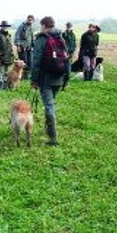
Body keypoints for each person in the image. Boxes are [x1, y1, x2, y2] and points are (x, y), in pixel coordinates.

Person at [31, 16, 64, 146]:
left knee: (49, 106)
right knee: (51, 103)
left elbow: (36, 61)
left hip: (46, 78)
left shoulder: (41, 39)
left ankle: (53, 138)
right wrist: (65, 79)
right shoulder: (60, 37)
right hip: (59, 76)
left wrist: (34, 79)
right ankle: (49, 128)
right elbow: (67, 58)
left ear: (44, 25)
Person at [0, 20, 15, 90]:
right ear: (1, 27)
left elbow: (10, 46)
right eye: (4, 26)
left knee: (6, 72)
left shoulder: (8, 35)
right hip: (0, 57)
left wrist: (12, 55)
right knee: (0, 72)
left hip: (7, 57)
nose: (5, 28)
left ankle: (5, 86)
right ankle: (0, 86)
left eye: (6, 26)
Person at [14, 15, 35, 79]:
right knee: (23, 61)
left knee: (30, 61)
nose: (30, 21)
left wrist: (33, 46)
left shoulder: (31, 27)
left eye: (31, 20)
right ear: (27, 19)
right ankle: (22, 75)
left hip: (29, 47)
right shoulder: (21, 26)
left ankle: (28, 75)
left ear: (33, 21)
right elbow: (17, 36)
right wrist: (18, 46)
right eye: (29, 19)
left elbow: (31, 37)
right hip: (22, 47)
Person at [61, 22, 77, 89]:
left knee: (68, 71)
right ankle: (61, 83)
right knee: (62, 70)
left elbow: (74, 44)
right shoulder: (63, 34)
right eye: (67, 26)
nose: (69, 28)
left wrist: (73, 51)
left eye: (70, 26)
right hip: (63, 54)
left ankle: (65, 84)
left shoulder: (73, 35)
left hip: (70, 54)